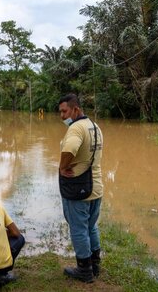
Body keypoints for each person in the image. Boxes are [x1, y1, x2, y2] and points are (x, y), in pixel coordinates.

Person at [58, 94, 103, 283]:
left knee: (78, 229)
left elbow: (70, 150)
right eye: (60, 112)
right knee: (91, 226)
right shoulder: (95, 126)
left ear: (76, 109)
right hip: (97, 187)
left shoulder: (76, 128)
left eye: (64, 111)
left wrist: (62, 167)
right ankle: (95, 264)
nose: (62, 116)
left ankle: (84, 270)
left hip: (78, 190)